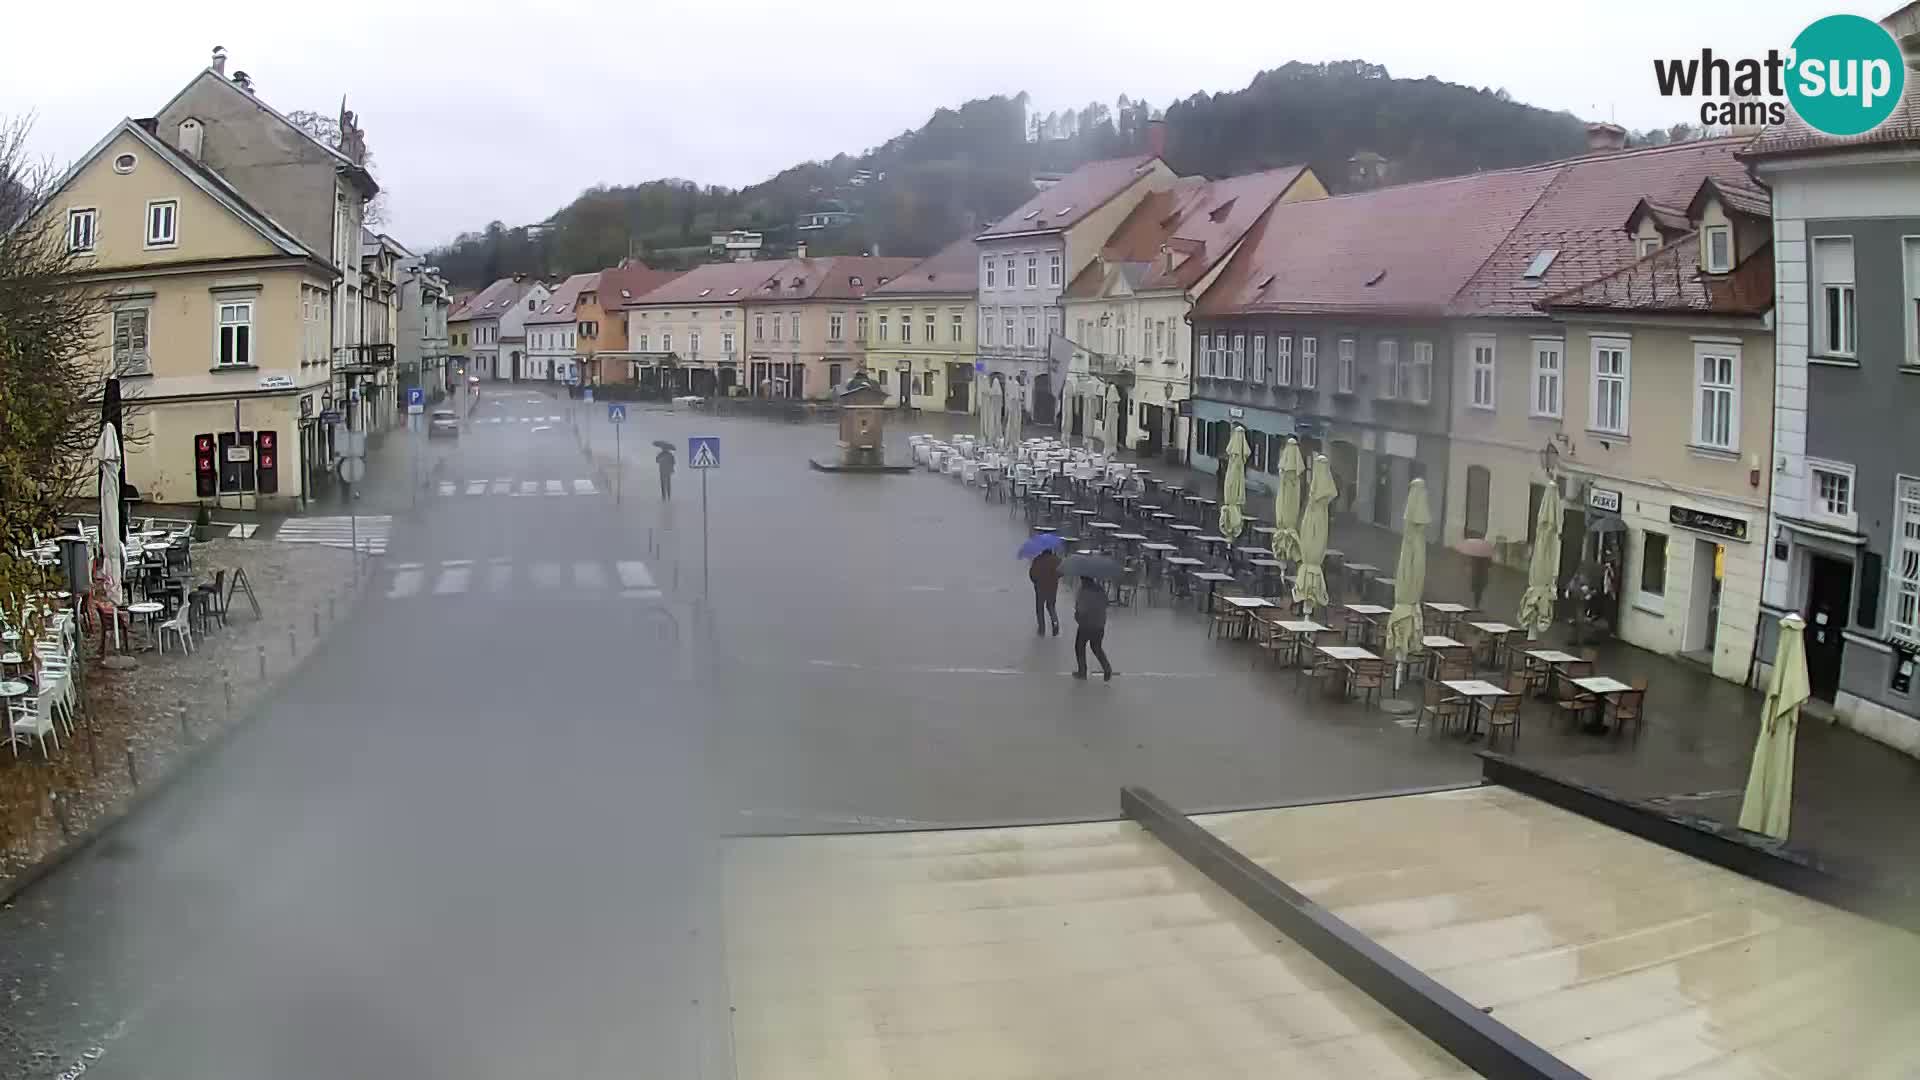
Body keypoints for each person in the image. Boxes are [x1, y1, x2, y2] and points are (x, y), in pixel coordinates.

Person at [1072, 576, 1114, 681]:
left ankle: (1082, 671)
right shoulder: (1100, 589)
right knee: (1096, 647)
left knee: (1079, 646)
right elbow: (1106, 604)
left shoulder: (1083, 591)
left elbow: (1081, 609)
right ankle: (1107, 667)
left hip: (1086, 624)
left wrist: (1077, 611)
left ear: (1083, 580)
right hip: (1099, 624)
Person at [1029, 547, 1061, 636]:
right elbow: (1061, 572)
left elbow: (1032, 574)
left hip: (1040, 587)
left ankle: (1041, 629)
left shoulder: (1037, 560)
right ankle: (1055, 624)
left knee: (1040, 608)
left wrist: (1036, 582)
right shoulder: (1056, 560)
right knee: (1051, 606)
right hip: (1052, 587)